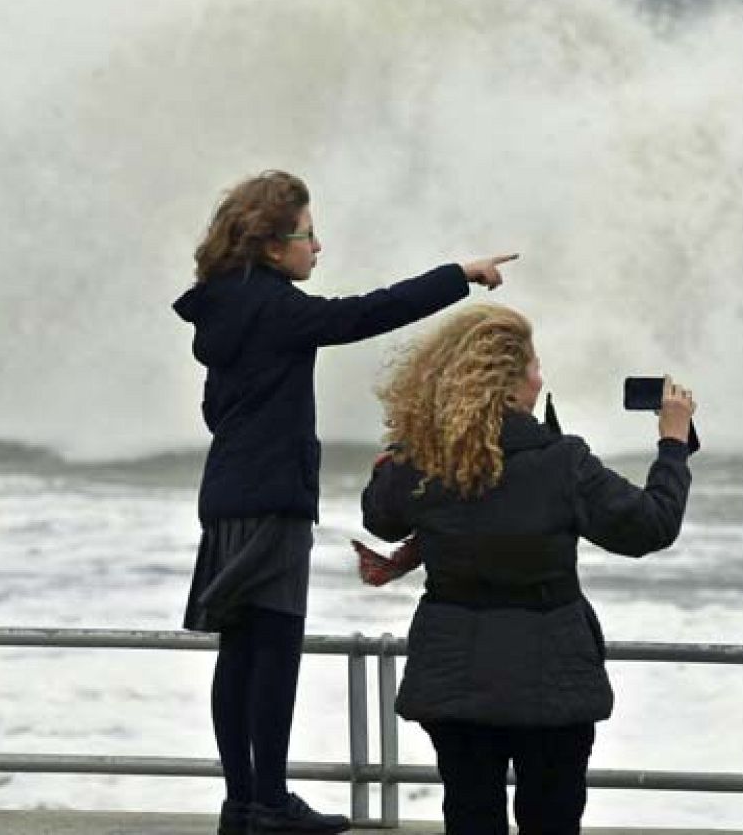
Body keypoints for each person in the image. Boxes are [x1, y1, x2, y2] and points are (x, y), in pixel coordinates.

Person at [173, 169, 516, 835]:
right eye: (308, 234)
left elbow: (217, 409)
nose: (318, 246)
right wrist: (460, 274)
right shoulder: (275, 306)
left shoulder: (225, 306)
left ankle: (242, 801)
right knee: (272, 649)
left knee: (239, 650)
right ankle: (269, 801)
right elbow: (364, 312)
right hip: (272, 498)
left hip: (227, 495)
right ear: (274, 246)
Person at [358, 304, 696, 835]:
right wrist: (673, 446)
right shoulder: (562, 462)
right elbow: (650, 525)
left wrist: (408, 439)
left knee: (470, 816)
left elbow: (380, 516)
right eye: (534, 366)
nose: (541, 377)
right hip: (552, 677)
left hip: (452, 674)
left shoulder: (425, 457)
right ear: (510, 386)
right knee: (552, 818)